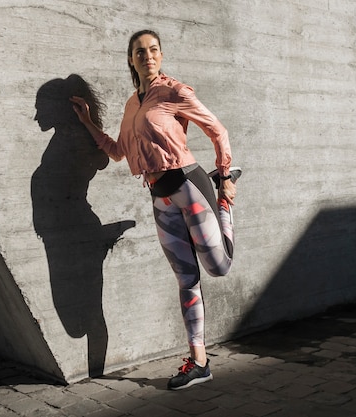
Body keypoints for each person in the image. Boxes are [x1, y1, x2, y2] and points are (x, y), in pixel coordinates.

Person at [70, 29, 240, 390]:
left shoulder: (175, 91)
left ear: (160, 56)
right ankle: (199, 362)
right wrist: (86, 122)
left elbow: (217, 130)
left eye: (153, 50)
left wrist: (224, 176)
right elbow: (117, 152)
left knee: (219, 268)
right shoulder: (133, 104)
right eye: (139, 51)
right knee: (186, 280)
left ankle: (225, 204)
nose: (147, 55)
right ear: (131, 59)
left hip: (189, 184)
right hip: (159, 196)